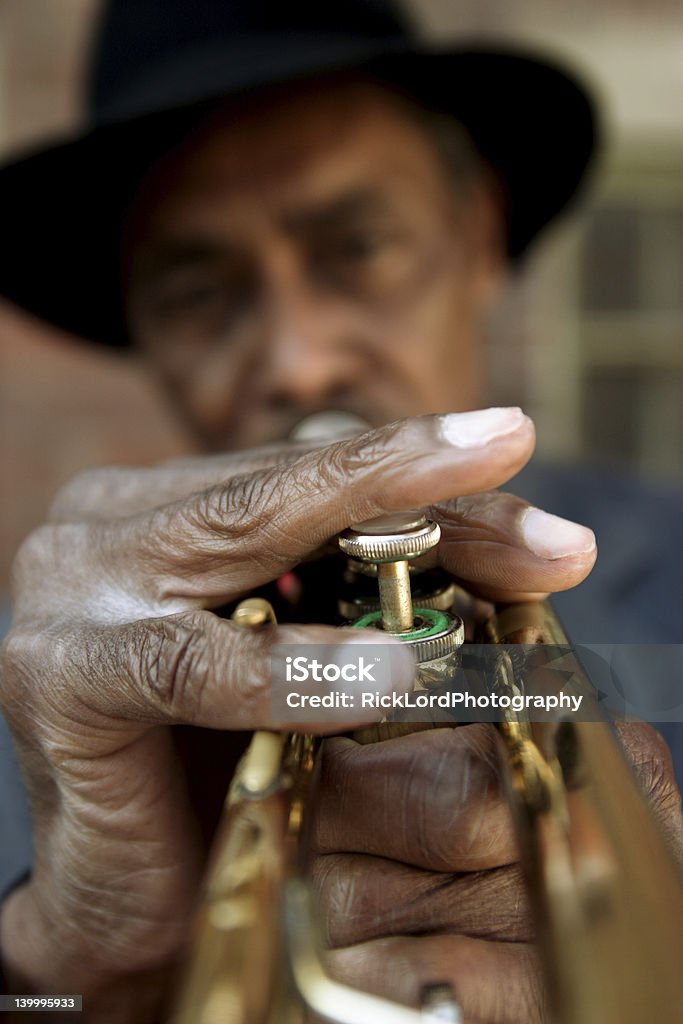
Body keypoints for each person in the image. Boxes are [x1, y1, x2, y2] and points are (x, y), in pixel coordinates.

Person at [0, 2, 681, 1022]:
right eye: (199, 293)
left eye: (355, 247)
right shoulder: (41, 676)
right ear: (142, 326)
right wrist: (55, 979)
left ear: (480, 237)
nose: (297, 359)